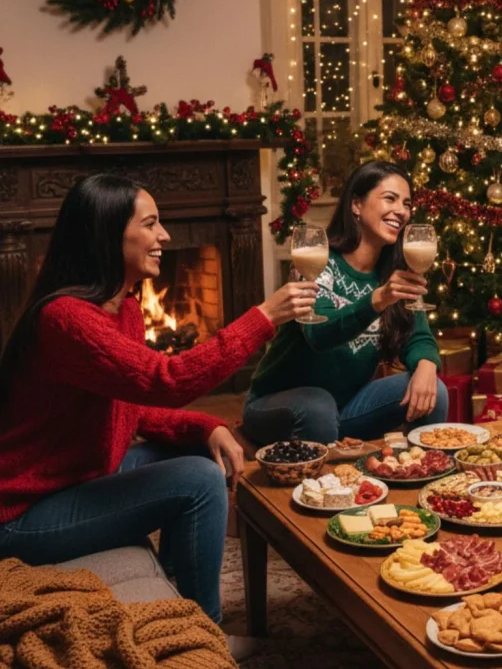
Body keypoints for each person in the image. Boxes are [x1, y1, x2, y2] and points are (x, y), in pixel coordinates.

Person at [0, 173, 318, 624]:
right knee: (199, 480)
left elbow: (131, 405)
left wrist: (208, 426)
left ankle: (173, 591)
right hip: (21, 517)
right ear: (107, 234)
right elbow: (164, 380)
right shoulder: (65, 319)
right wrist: (263, 317)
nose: (164, 236)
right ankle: (207, 630)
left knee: (194, 454)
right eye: (150, 224)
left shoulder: (125, 307)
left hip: (80, 476)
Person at [242, 161, 448, 446]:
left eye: (407, 203)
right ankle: (322, 489)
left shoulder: (396, 271)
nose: (401, 211)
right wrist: (377, 300)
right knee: (318, 404)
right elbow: (319, 334)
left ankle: (426, 479)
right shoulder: (317, 261)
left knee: (433, 389)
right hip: (276, 406)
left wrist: (426, 365)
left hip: (346, 409)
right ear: (356, 205)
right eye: (389, 198)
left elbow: (419, 336)